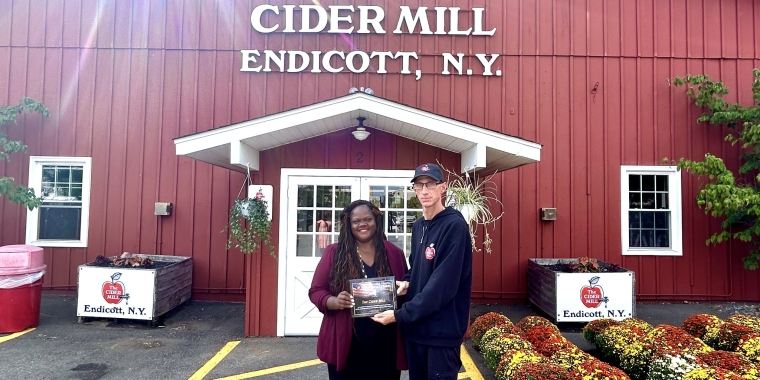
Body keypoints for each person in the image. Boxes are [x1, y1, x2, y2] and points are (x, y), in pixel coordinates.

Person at [372, 163, 473, 380]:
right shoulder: (419, 226)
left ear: (443, 187)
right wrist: (407, 281)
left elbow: (442, 286)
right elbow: (417, 266)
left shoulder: (454, 226)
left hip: (441, 335)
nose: (424, 191)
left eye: (430, 184)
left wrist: (399, 315)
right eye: (419, 185)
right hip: (417, 332)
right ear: (414, 190)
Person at [309, 200, 409, 380]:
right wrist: (334, 302)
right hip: (347, 344)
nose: (362, 224)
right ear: (349, 224)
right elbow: (316, 290)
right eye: (356, 221)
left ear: (376, 221)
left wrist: (405, 288)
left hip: (386, 344)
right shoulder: (334, 252)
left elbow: (406, 288)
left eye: (367, 219)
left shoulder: (394, 253)